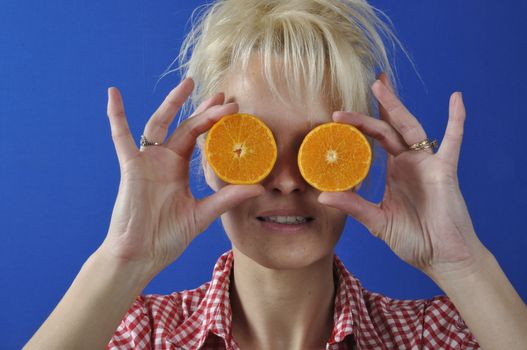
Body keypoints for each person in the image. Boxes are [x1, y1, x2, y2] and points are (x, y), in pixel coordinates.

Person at [25, 0, 527, 349]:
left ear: (360, 159)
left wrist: (462, 263)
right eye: (255, 145)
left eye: (317, 146)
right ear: (209, 154)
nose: (287, 180)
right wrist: (123, 262)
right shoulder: (135, 335)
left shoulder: (429, 338)